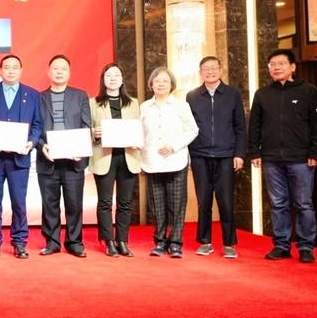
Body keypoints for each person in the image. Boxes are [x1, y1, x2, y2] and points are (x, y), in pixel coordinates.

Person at [248, 48, 317, 264]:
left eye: (281, 63)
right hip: (271, 159)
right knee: (278, 203)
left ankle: (306, 247)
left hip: (301, 158)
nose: (276, 67)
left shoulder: (308, 91)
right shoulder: (262, 94)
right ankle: (281, 245)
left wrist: (316, 152)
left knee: (303, 204)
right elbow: (254, 126)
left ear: (292, 67)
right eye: (272, 64)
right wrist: (254, 152)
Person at [0, 54, 42, 259]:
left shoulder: (32, 94)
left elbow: (37, 125)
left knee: (19, 202)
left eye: (15, 67)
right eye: (7, 67)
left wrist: (31, 143)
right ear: (0, 70)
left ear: (21, 70)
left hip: (19, 159)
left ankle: (19, 242)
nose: (11, 71)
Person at [186, 56, 246, 259]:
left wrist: (239, 154)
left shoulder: (233, 94)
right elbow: (188, 128)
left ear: (221, 70)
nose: (210, 71)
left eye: (213, 68)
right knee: (203, 201)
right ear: (200, 72)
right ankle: (205, 242)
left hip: (226, 155)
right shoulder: (192, 96)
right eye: (206, 68)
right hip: (199, 155)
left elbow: (240, 127)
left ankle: (229, 243)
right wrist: (188, 155)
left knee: (226, 201)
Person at [141, 67, 199, 258]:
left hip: (176, 160)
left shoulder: (181, 105)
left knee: (176, 204)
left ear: (171, 84)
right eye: (157, 81)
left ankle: (175, 243)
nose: (161, 84)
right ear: (151, 84)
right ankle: (159, 242)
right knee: (157, 206)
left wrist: (173, 146)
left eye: (165, 81)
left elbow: (192, 130)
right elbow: (140, 134)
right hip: (152, 161)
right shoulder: (144, 107)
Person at [37, 54, 91, 257]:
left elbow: (86, 125)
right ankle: (52, 242)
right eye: (55, 68)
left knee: (74, 203)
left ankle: (74, 242)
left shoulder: (80, 96)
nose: (59, 72)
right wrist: (41, 145)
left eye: (63, 69)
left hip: (73, 160)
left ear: (69, 72)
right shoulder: (38, 97)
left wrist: (81, 148)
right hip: (48, 159)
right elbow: (35, 127)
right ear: (48, 72)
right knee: (49, 204)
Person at [90, 63, 142, 257]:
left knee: (125, 202)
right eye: (108, 75)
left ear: (122, 79)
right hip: (104, 157)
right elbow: (87, 129)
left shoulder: (133, 103)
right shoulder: (93, 103)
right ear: (103, 79)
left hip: (128, 156)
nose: (113, 78)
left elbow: (139, 129)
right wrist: (94, 133)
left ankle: (122, 240)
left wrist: (138, 140)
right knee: (104, 202)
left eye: (117, 75)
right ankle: (108, 241)